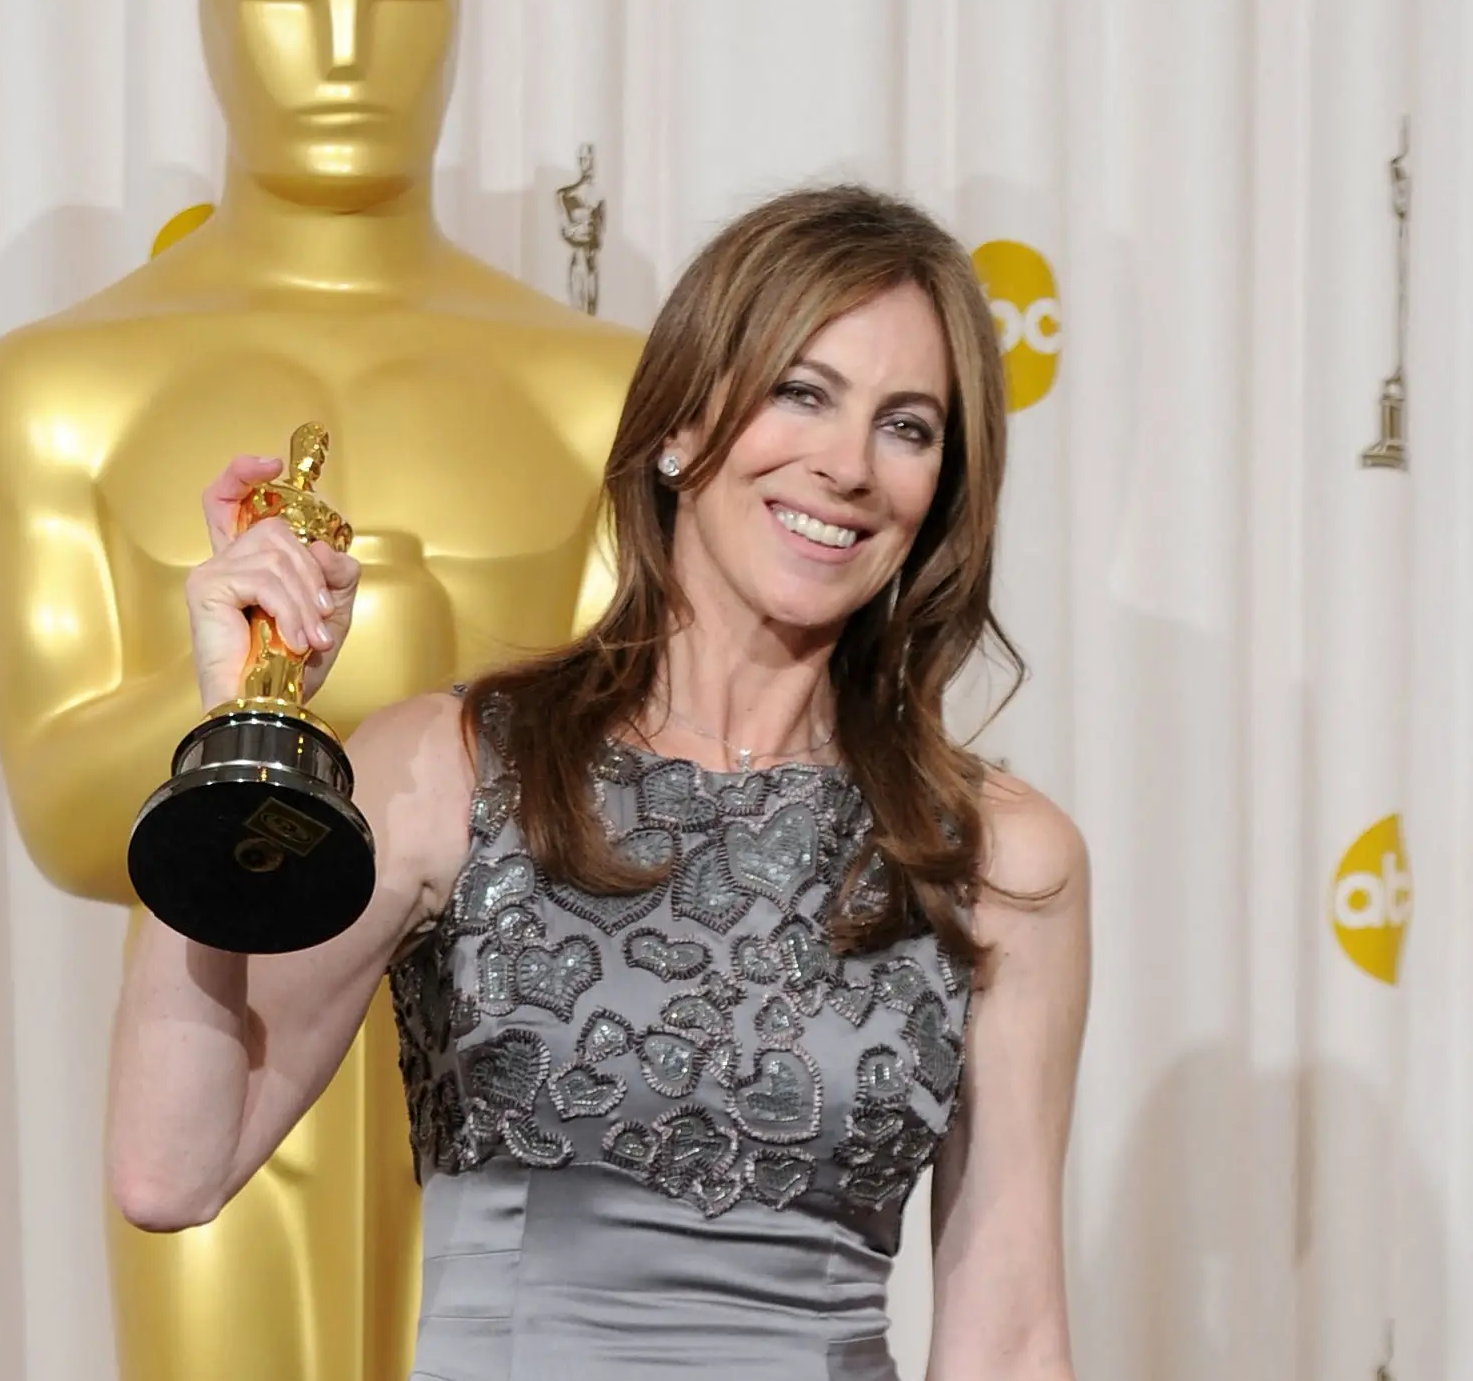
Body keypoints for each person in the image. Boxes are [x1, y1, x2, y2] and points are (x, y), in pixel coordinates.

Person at [107, 185, 1090, 1381]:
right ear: (678, 427)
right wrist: (235, 733)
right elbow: (171, 1166)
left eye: (908, 426)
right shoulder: (453, 767)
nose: (847, 466)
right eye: (803, 392)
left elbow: (1011, 1323)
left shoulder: (992, 855)